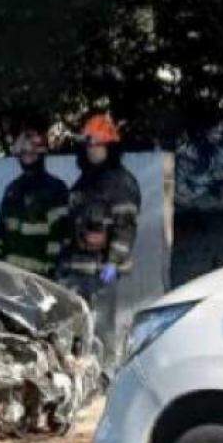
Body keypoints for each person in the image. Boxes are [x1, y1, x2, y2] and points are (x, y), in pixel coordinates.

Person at [55, 113, 141, 365]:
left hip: (102, 270)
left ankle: (106, 378)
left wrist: (113, 261)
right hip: (77, 268)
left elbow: (125, 227)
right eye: (89, 146)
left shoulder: (120, 182)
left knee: (102, 329)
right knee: (78, 328)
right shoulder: (86, 180)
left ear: (110, 147)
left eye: (98, 145)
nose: (93, 151)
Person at [0, 124, 69, 276]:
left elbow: (59, 236)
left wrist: (53, 271)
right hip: (12, 275)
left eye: (32, 154)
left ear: (41, 154)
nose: (27, 158)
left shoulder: (55, 189)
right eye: (23, 154)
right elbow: (1, 234)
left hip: (40, 277)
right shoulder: (12, 189)